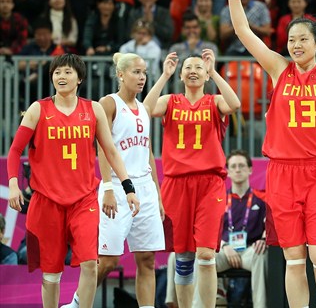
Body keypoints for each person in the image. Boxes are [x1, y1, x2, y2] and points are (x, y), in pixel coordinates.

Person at [224, 0, 316, 308]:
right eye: (291, 40)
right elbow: (243, 31)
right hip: (281, 174)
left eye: (303, 40)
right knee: (294, 261)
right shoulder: (277, 69)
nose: (296, 45)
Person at [6, 53, 140, 308]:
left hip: (84, 200)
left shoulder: (93, 109)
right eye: (57, 72)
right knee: (51, 273)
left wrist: (128, 187)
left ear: (79, 78)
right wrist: (13, 183)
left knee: (91, 263)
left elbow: (110, 150)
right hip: (47, 200)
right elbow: (14, 151)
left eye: (67, 72)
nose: (61, 76)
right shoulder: (38, 109)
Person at [61, 52, 165, 308]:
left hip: (145, 189)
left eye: (144, 73)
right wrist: (107, 186)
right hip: (118, 188)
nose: (141, 78)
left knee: (148, 259)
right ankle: (76, 303)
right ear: (120, 74)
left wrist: (157, 194)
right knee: (108, 261)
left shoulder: (144, 109)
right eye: (136, 72)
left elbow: (147, 151)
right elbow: (104, 148)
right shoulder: (108, 103)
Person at [143, 49, 240, 308]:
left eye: (199, 67)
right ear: (182, 74)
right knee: (183, 256)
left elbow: (235, 104)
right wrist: (164, 76)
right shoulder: (171, 101)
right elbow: (145, 109)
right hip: (177, 183)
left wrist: (215, 72)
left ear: (205, 74)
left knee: (206, 254)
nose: (194, 70)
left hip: (210, 183)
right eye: (188, 67)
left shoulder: (214, 101)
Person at [165, 149, 268, 308]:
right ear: (227, 171)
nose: (237, 169)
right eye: (233, 166)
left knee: (262, 255)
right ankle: (188, 304)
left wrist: (263, 238)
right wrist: (224, 245)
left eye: (241, 165)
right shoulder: (218, 197)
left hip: (249, 252)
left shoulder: (261, 199)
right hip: (223, 251)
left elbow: (271, 222)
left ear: (250, 169)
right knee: (198, 256)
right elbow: (205, 229)